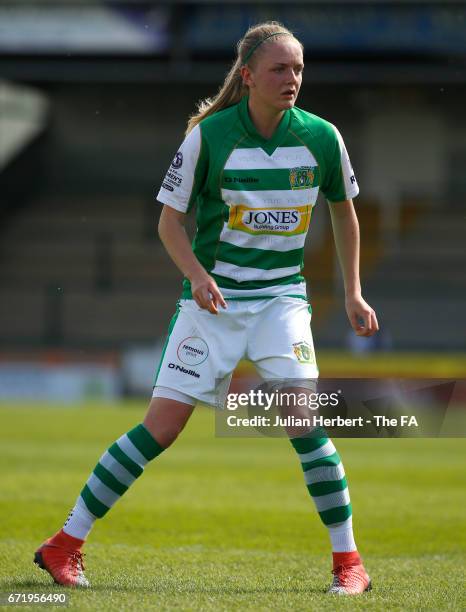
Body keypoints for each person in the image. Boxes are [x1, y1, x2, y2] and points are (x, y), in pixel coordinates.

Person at [34, 21, 379, 596]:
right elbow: (169, 222)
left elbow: (344, 212)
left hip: (280, 303)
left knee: (305, 425)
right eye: (279, 69)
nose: (292, 78)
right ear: (248, 77)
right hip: (212, 304)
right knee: (161, 429)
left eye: (298, 68)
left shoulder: (322, 137)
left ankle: (349, 563)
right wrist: (196, 278)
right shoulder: (209, 136)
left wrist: (352, 291)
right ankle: (63, 544)